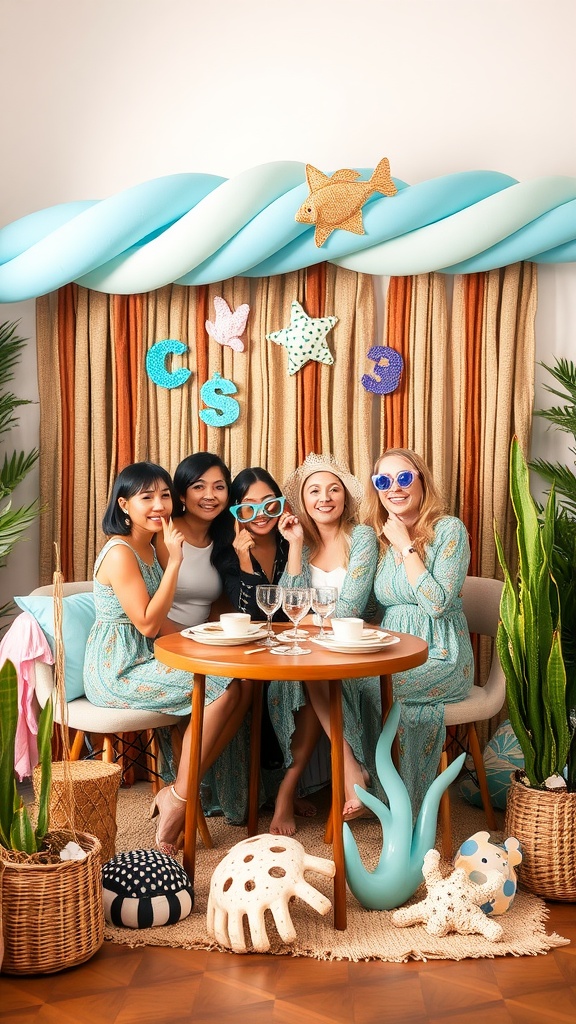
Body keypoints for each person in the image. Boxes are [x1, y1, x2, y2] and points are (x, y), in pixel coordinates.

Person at [83, 461, 253, 855]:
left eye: (163, 495)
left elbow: (162, 621)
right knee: (222, 685)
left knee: (242, 685)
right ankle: (179, 798)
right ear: (124, 504)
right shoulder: (122, 552)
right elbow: (146, 623)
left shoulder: (148, 542)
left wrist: (206, 642)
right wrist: (175, 561)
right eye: (146, 498)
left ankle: (180, 791)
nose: (158, 505)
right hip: (118, 668)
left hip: (147, 657)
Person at [211, 466, 322, 834]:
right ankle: (272, 790)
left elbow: (299, 604)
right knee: (273, 687)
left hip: (292, 645)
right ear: (237, 513)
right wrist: (244, 563)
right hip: (251, 651)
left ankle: (286, 791)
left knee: (311, 683)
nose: (260, 515)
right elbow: (253, 614)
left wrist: (293, 548)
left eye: (268, 504)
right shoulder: (228, 553)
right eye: (248, 507)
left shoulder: (292, 539)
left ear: (281, 505)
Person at [364, 447, 474, 815]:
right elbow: (372, 607)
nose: (393, 487)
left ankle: (407, 804)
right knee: (349, 683)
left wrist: (407, 547)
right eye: (383, 481)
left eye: (404, 477)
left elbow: (436, 604)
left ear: (422, 481)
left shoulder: (448, 530)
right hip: (394, 653)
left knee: (381, 688)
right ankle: (375, 790)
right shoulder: (380, 542)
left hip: (442, 654)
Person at [270, 453, 379, 821]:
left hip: (357, 649)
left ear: (345, 498)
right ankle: (343, 775)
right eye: (314, 490)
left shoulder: (361, 537)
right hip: (317, 651)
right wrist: (297, 546)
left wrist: (309, 621)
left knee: (311, 671)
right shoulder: (303, 544)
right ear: (303, 501)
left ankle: (345, 772)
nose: (325, 497)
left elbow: (348, 609)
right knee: (305, 671)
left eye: (334, 489)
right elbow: (289, 606)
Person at [155, 452, 232, 633]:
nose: (210, 495)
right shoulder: (163, 532)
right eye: (199, 487)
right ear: (182, 495)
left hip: (204, 639)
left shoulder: (225, 538)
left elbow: (219, 607)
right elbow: (147, 601)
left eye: (219, 487)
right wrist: (183, 646)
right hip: (165, 641)